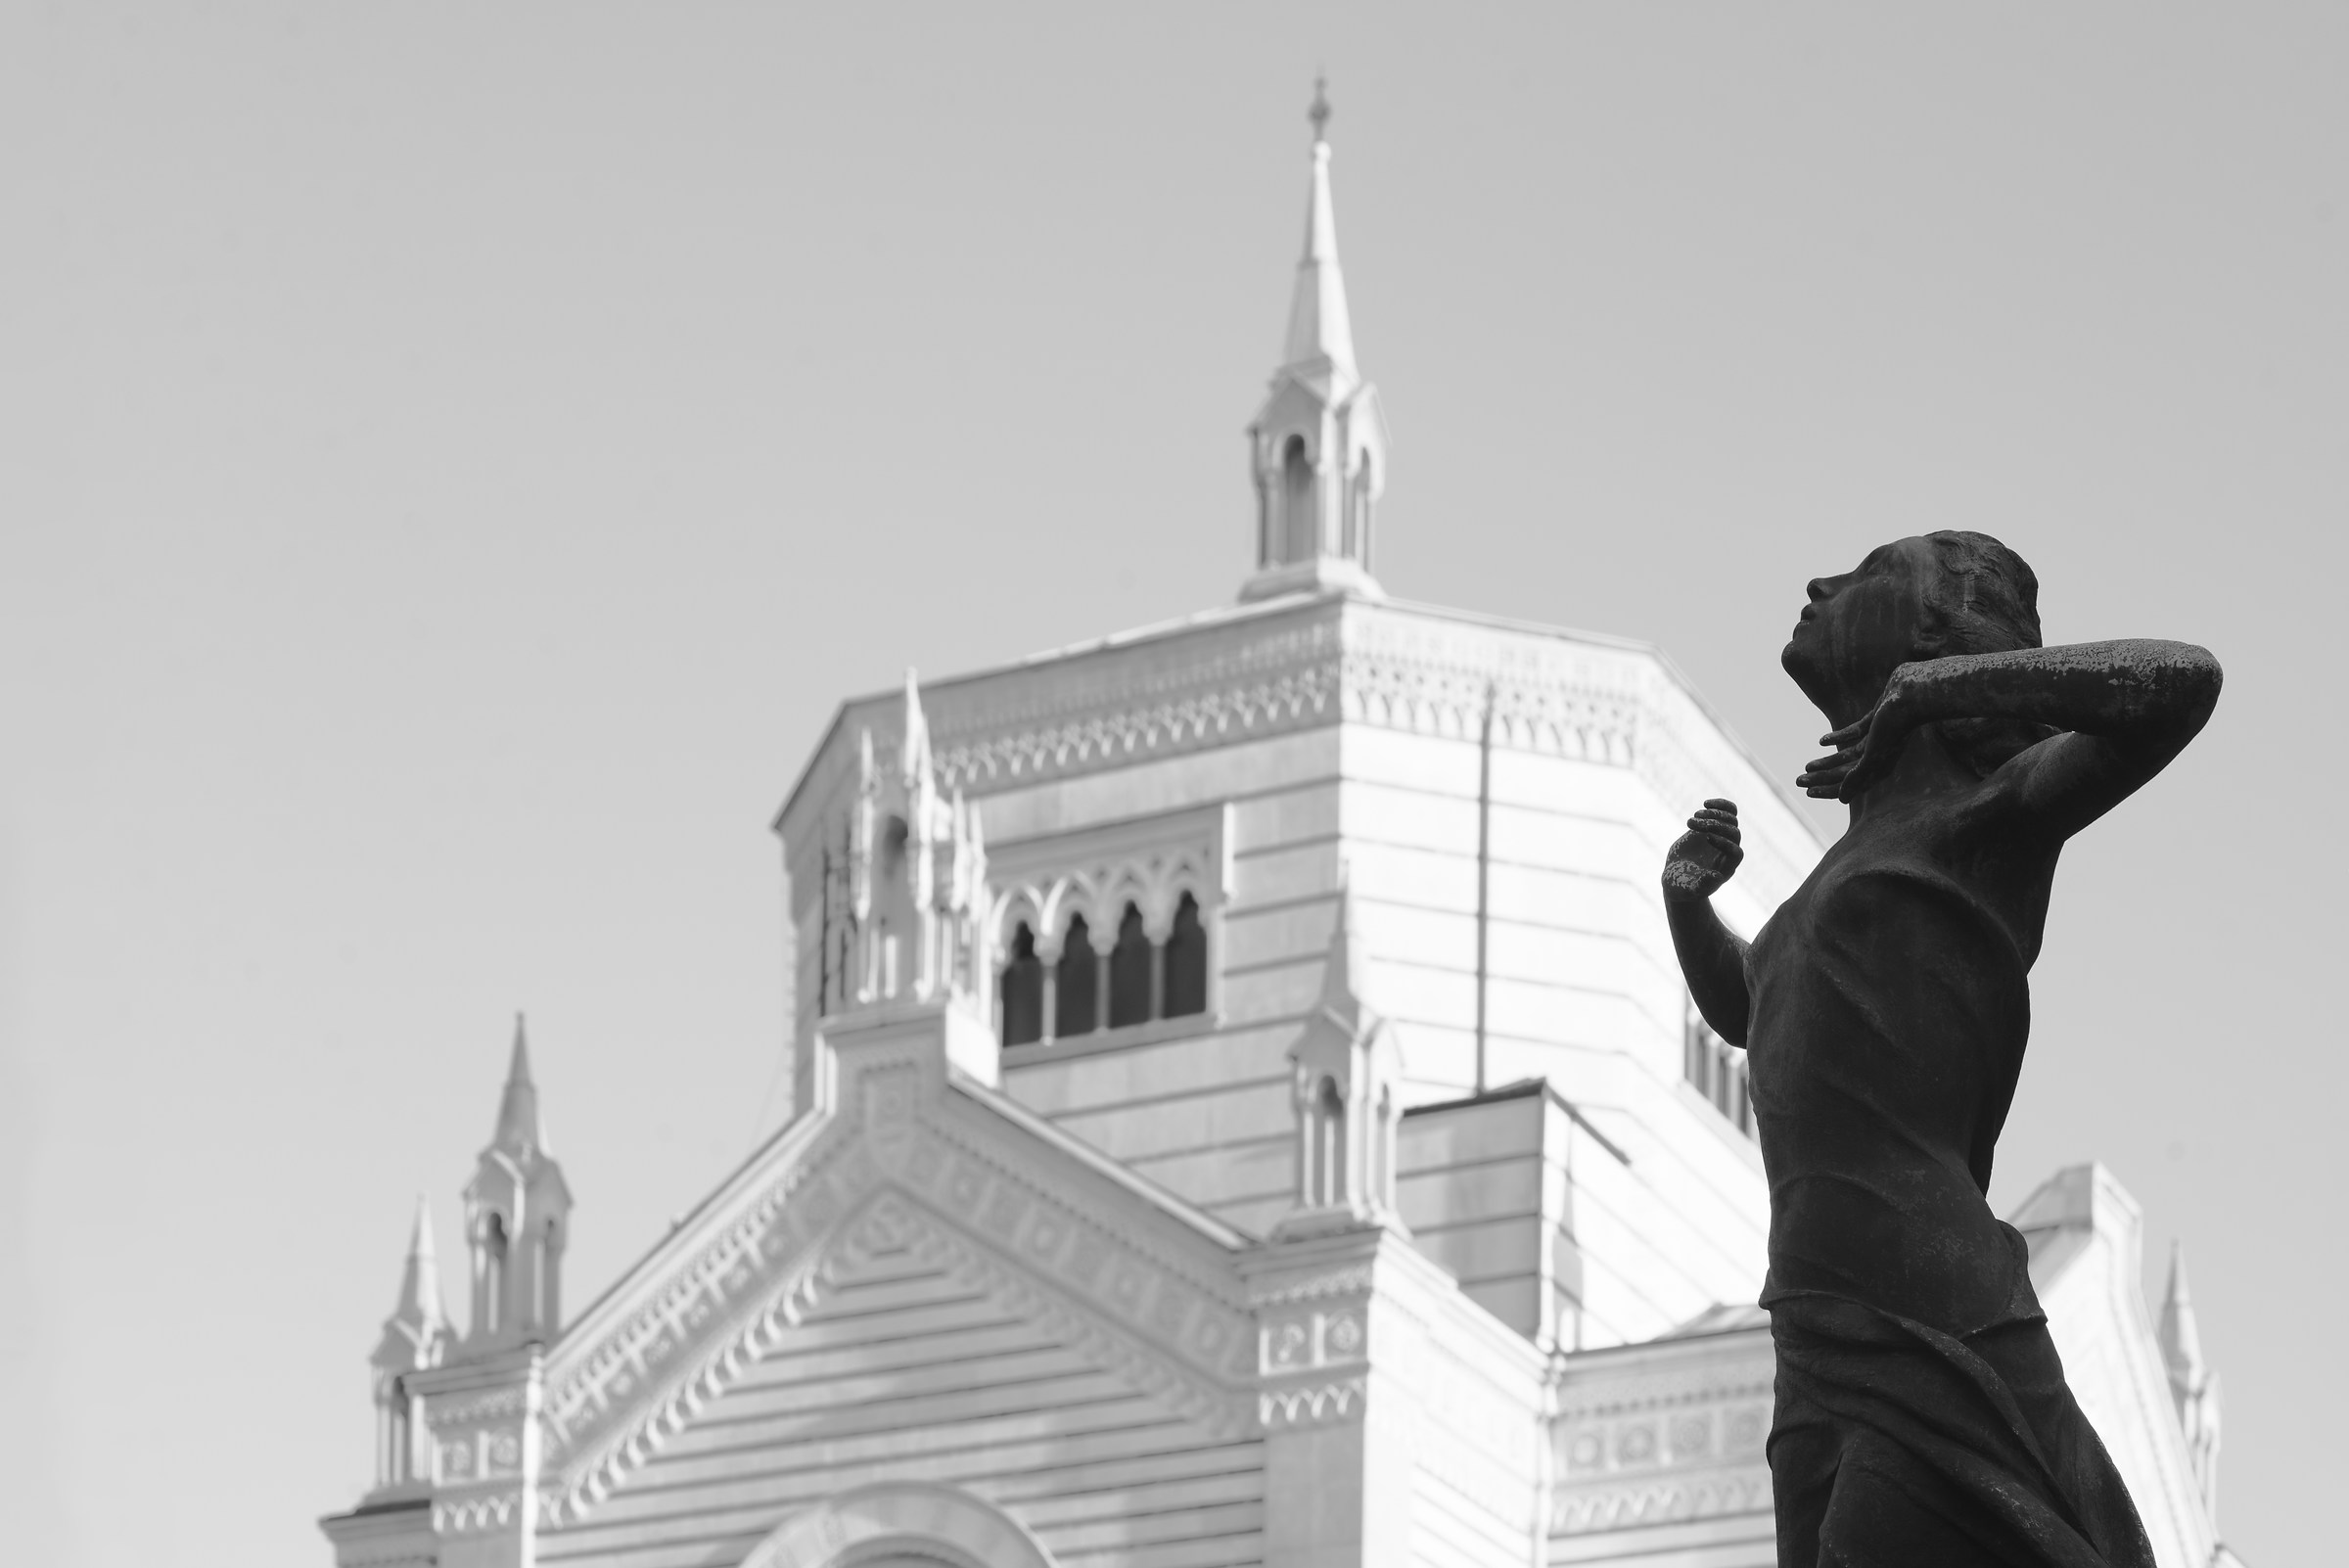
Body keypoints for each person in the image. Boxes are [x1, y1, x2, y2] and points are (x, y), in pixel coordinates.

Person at [1662, 532, 2220, 1567]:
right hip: (1817, 1316)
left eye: (1865, 575)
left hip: (1929, 1296)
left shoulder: (1989, 819)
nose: (1821, 584)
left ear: (1931, 633)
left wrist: (1935, 690)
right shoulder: (1825, 888)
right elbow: (1750, 1009)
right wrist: (1688, 906)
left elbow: (2182, 682)